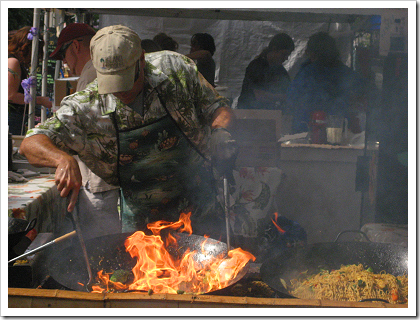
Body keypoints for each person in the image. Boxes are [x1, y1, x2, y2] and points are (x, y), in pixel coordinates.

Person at [20, 25, 237, 241]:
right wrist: (62, 159)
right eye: (111, 83)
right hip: (142, 225)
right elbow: (30, 143)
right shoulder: (87, 103)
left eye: (125, 80)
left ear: (141, 61)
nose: (120, 92)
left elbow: (218, 107)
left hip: (199, 206)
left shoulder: (175, 70)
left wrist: (220, 132)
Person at [48, 22, 121, 239]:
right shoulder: (100, 70)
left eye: (63, 54)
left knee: (102, 246)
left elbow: (73, 132)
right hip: (105, 179)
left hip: (99, 182)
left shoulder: (90, 75)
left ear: (76, 47)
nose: (64, 62)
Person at [286, 31, 367, 134]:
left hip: (306, 131)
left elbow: (291, 99)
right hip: (341, 132)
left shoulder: (307, 73)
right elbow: (364, 97)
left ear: (313, 52)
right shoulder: (347, 74)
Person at [8, 26, 52, 135]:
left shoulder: (14, 61)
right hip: (12, 117)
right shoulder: (13, 62)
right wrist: (40, 100)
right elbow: (10, 95)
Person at [237, 33, 295, 110]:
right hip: (249, 113)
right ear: (274, 49)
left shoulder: (281, 71)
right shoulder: (257, 66)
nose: (286, 58)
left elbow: (289, 93)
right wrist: (281, 97)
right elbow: (259, 95)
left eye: (288, 55)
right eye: (284, 54)